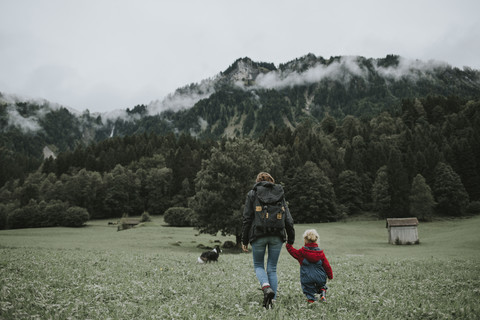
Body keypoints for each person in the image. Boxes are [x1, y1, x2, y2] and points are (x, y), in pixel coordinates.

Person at [241, 172, 295, 309]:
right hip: (277, 235)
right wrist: (291, 238)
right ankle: (273, 301)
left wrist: (244, 240)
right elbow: (288, 218)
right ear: (271, 181)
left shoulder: (252, 193)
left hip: (258, 234)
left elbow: (247, 218)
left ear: (258, 181)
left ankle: (266, 287)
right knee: (272, 269)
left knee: (259, 265)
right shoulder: (279, 193)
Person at [286, 229, 333, 303]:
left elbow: (292, 251)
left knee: (309, 289)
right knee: (321, 285)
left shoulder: (301, 253)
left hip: (307, 277)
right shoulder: (320, 253)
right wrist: (330, 276)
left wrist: (288, 245)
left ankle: (311, 300)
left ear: (305, 240)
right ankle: (322, 292)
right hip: (320, 276)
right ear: (316, 240)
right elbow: (327, 265)